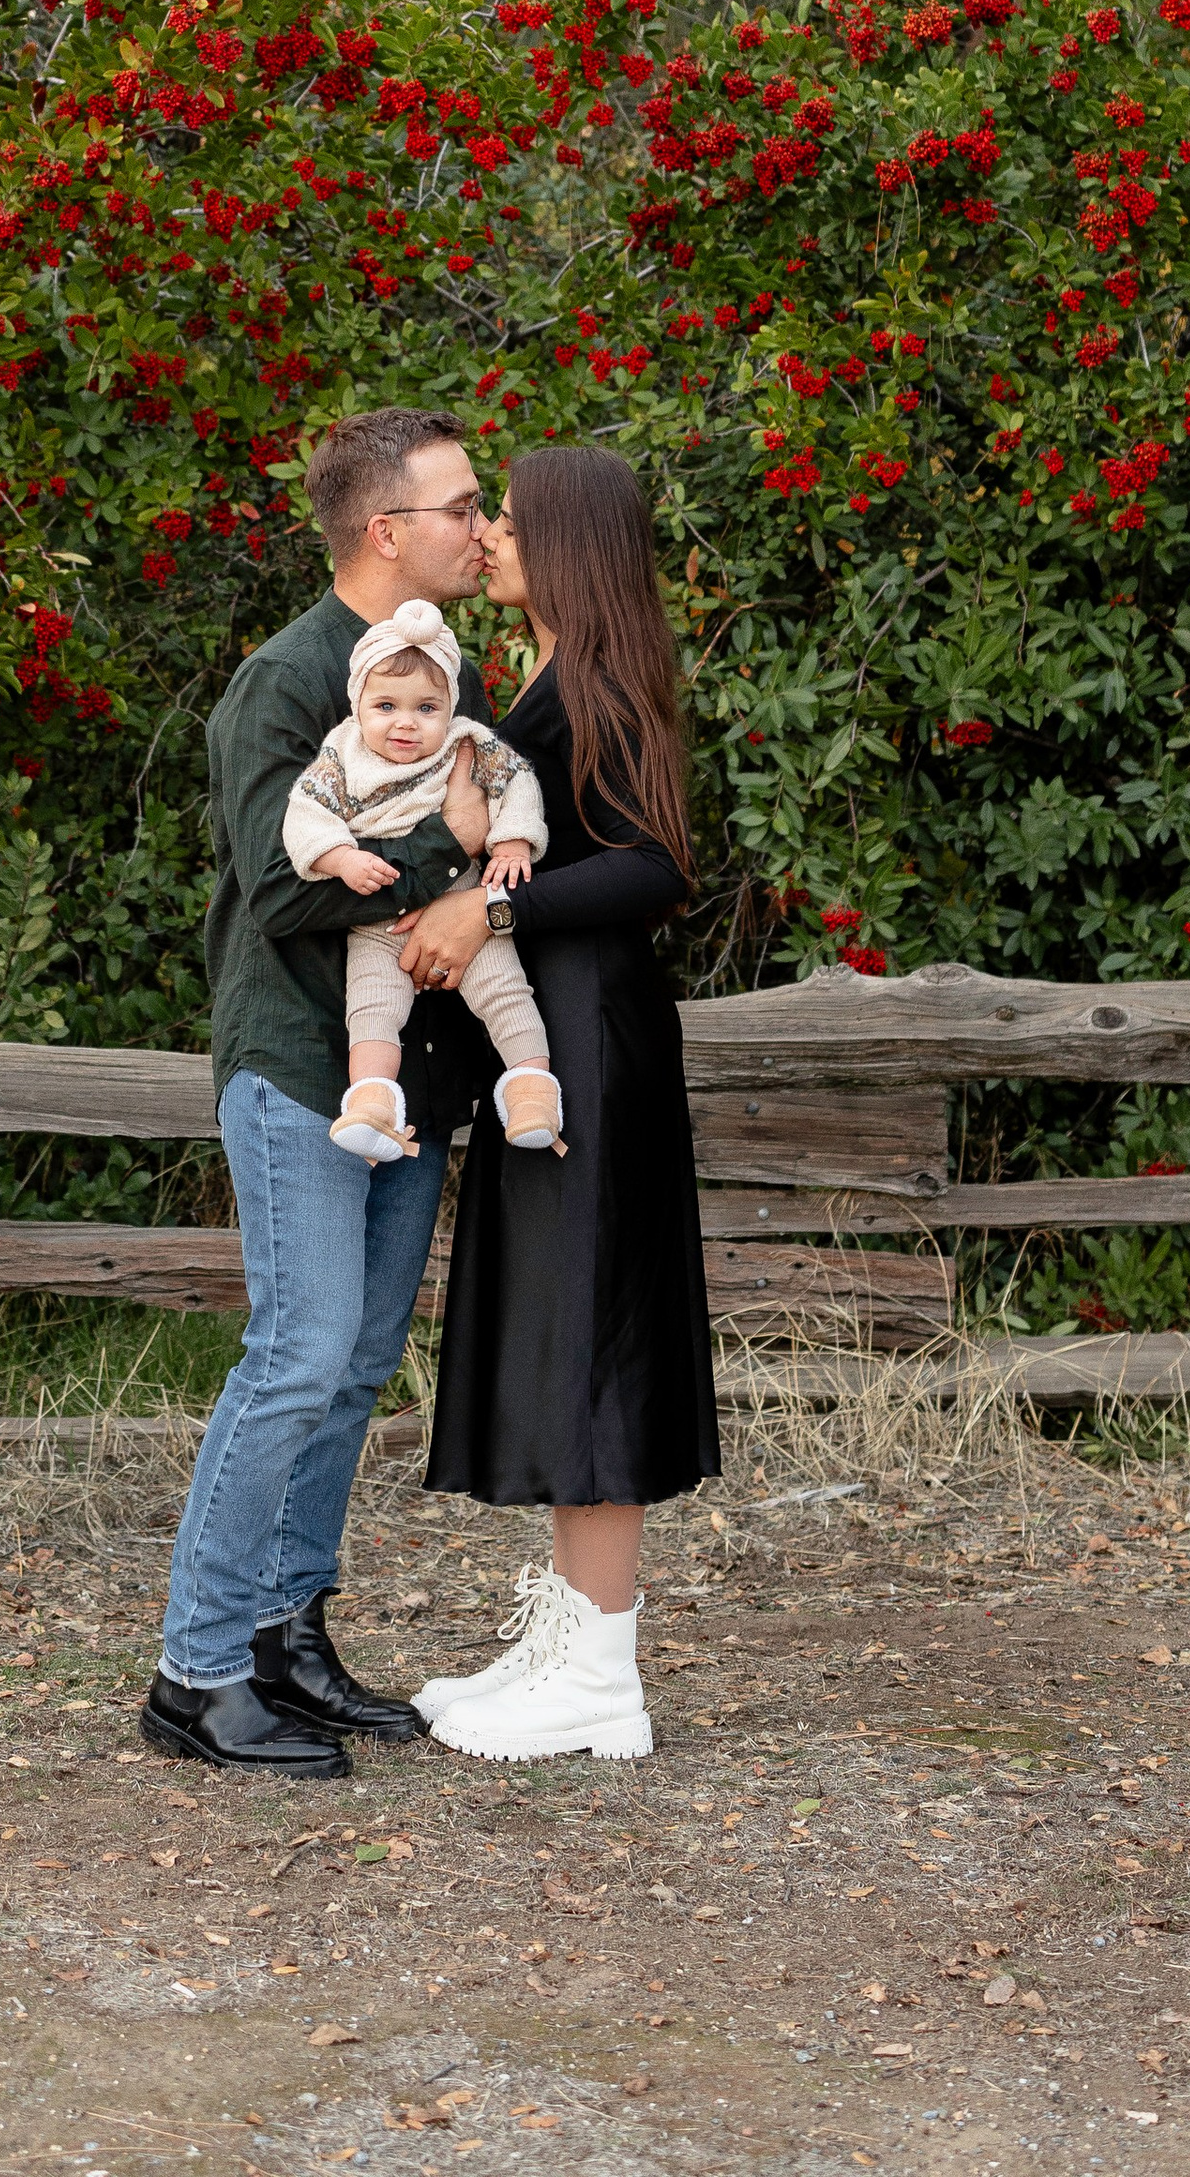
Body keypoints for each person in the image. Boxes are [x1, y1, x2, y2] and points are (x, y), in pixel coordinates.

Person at [140, 404, 498, 1778]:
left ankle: (288, 1633)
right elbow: (285, 889)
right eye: (462, 505)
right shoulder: (287, 685)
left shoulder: (441, 679)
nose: (483, 526)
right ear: (384, 529)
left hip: (407, 1076)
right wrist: (438, 855)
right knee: (295, 1357)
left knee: (350, 1368)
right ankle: (196, 1669)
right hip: (300, 1063)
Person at [399, 441, 719, 1763]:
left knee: (592, 1335)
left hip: (593, 1037)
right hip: (552, 1037)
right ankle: (568, 1632)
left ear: (573, 548)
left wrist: (492, 898)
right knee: (559, 1324)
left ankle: (602, 1672)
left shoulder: (601, 683)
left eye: (513, 527)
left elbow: (653, 867)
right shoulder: (532, 679)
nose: (489, 540)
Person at [281, 595, 559, 1164]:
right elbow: (304, 812)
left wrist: (511, 838)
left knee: (505, 991)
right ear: (359, 702)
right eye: (386, 705)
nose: (405, 723)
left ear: (449, 707)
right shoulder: (342, 753)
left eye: (426, 708)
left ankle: (532, 1090)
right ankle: (373, 1101)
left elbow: (519, 782)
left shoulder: (468, 744)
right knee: (372, 1006)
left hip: (463, 905)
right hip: (377, 919)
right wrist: (339, 858)